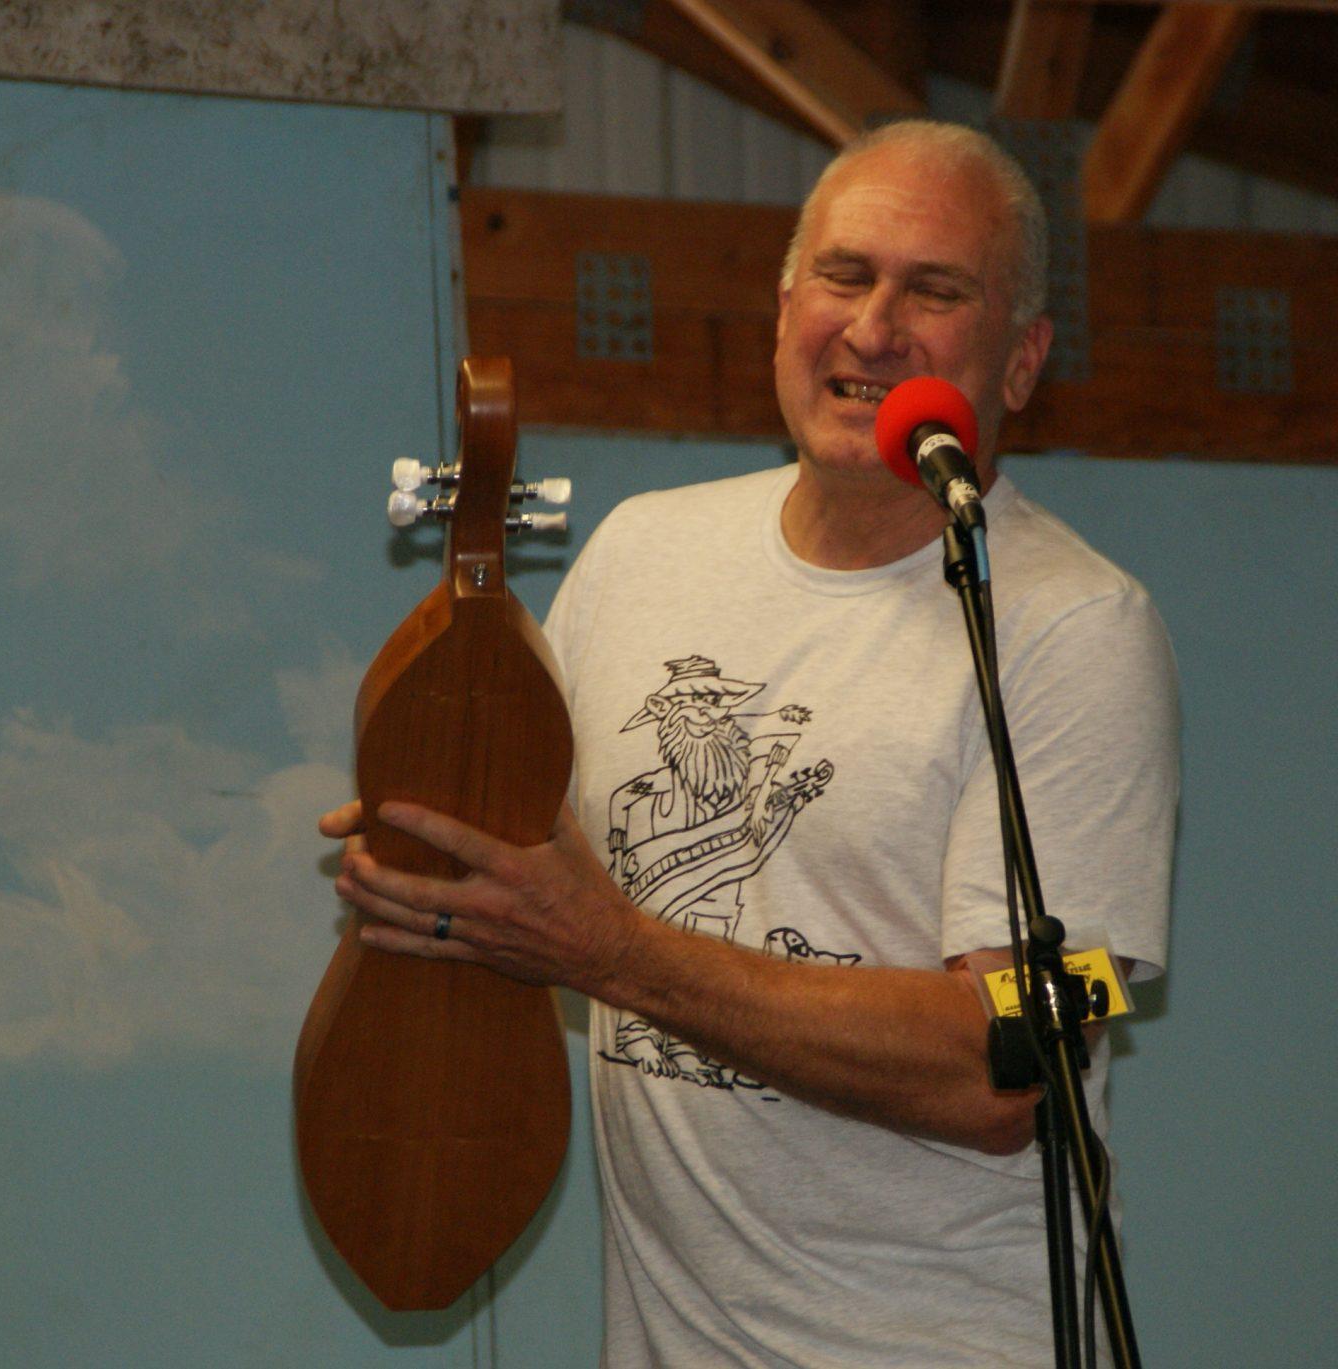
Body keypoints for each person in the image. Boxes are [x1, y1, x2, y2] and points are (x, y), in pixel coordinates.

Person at [321, 120, 1180, 1366]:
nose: (874, 328)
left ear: (1021, 362)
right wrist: (427, 855)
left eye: (935, 291)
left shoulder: (1080, 628)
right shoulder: (637, 554)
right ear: (783, 310)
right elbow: (527, 871)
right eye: (843, 275)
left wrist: (613, 951)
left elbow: (1008, 1070)